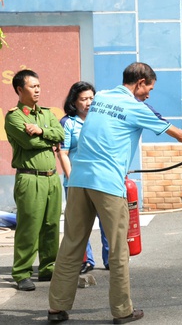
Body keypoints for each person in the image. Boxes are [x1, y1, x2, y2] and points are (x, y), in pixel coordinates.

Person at [47, 62, 182, 323]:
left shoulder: (102, 97)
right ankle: (122, 311)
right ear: (140, 82)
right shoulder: (136, 107)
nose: (149, 95)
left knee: (72, 243)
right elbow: (181, 135)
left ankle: (56, 308)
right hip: (107, 184)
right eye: (149, 88)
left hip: (77, 180)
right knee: (120, 249)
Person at [4, 69, 65, 292]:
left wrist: (40, 131)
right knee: (29, 227)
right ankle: (21, 272)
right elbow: (29, 144)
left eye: (39, 85)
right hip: (30, 179)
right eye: (32, 86)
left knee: (51, 225)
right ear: (20, 89)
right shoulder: (14, 116)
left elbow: (61, 134)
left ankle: (49, 268)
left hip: (51, 177)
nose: (37, 89)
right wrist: (49, 140)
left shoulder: (47, 114)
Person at [58, 81, 109, 275]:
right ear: (74, 101)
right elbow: (63, 153)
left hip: (101, 179)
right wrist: (72, 181)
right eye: (83, 99)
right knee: (80, 224)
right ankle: (86, 260)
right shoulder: (68, 122)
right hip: (77, 181)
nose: (88, 103)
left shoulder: (101, 119)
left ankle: (110, 257)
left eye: (91, 98)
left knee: (106, 220)